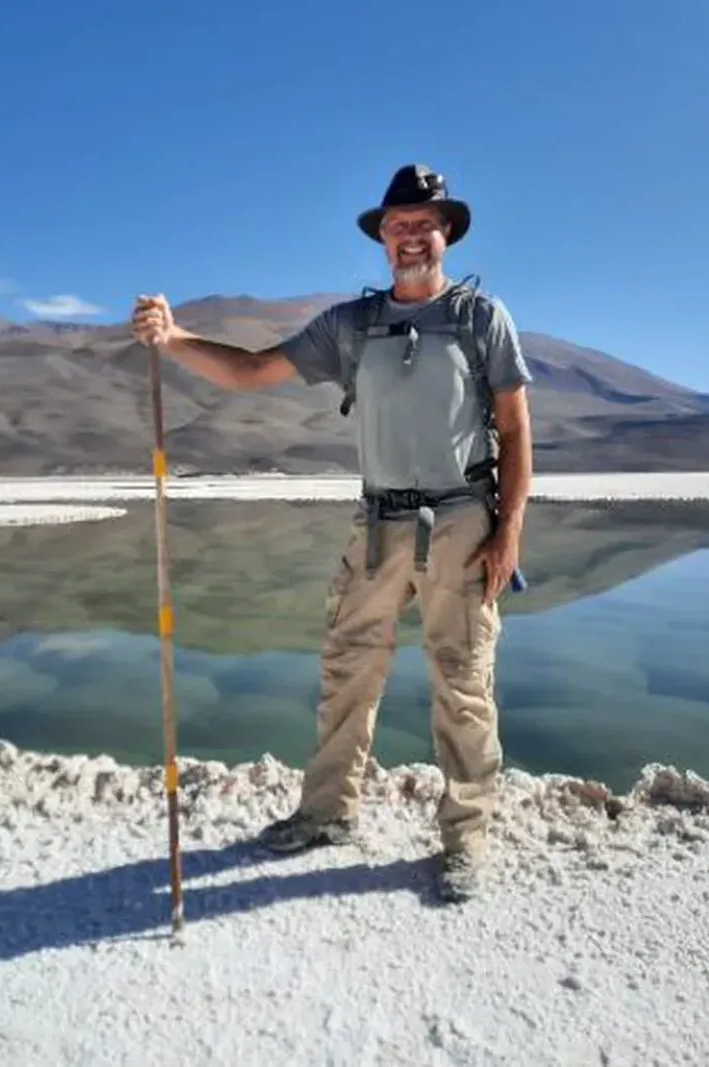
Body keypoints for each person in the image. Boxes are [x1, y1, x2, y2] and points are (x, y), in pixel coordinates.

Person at [132, 163, 533, 903]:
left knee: (464, 683)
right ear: (382, 237)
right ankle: (326, 812)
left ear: (447, 232)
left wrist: (508, 532)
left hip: (460, 521)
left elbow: (513, 425)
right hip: (378, 522)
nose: (411, 236)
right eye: (398, 225)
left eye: (425, 223)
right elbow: (254, 370)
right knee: (346, 668)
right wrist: (176, 338)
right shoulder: (352, 325)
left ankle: (466, 835)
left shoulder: (482, 319)